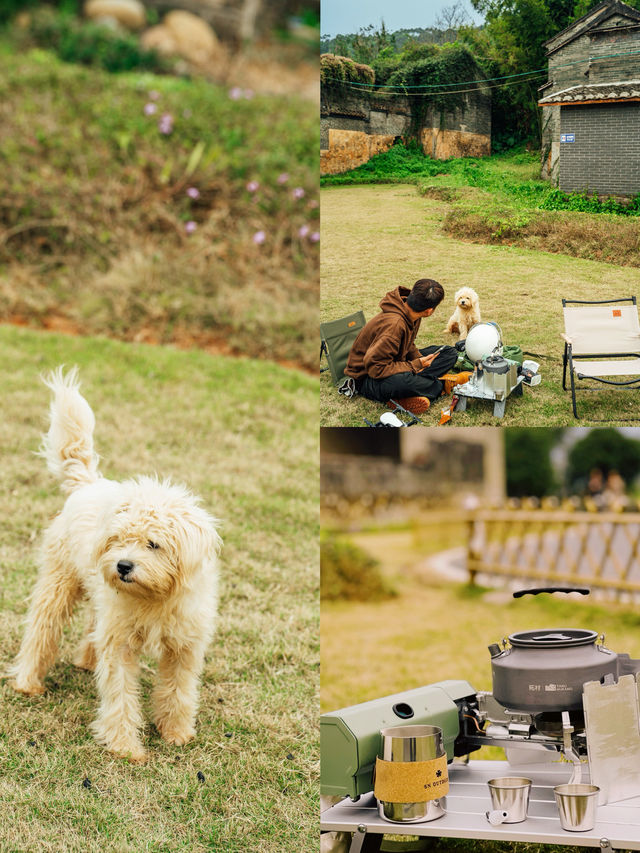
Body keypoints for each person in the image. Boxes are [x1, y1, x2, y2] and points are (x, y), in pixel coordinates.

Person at [340, 278, 470, 414]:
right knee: (407, 383)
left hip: (395, 362)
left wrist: (419, 359)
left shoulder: (411, 311)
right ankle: (441, 385)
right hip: (368, 378)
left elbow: (408, 343)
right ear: (429, 311)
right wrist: (415, 365)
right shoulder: (394, 326)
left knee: (449, 353)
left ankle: (416, 387)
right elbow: (375, 368)